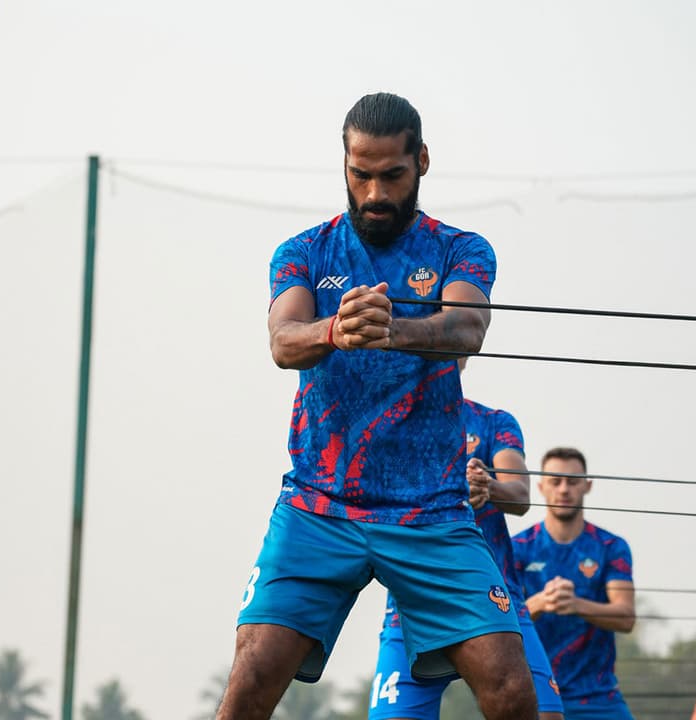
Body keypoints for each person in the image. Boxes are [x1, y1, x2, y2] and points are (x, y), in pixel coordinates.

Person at [218, 92, 537, 720]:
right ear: (343, 164)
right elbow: (284, 341)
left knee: (510, 690)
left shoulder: (460, 248)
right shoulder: (303, 251)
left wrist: (395, 328)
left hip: (431, 513)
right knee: (249, 682)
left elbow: (467, 327)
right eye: (360, 174)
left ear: (421, 161)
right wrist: (333, 330)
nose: (374, 193)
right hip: (318, 506)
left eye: (391, 175)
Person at [368, 361, 564, 720]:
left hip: (495, 596)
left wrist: (489, 487)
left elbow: (520, 494)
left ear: (463, 356)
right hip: (414, 602)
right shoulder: (388, 420)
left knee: (546, 716)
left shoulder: (493, 422)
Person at [512, 447, 637, 720]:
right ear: (542, 486)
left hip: (598, 696)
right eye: (556, 481)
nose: (564, 489)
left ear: (587, 485)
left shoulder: (610, 547)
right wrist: (540, 603)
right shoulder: (518, 549)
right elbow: (502, 621)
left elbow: (626, 617)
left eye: (573, 481)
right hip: (536, 693)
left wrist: (577, 604)